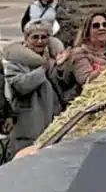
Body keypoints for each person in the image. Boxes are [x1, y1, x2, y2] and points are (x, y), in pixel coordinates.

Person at [2, 20, 72, 155]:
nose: (40, 41)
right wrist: (42, 69)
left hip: (53, 124)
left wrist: (61, 68)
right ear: (26, 39)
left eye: (44, 37)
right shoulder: (16, 62)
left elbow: (64, 87)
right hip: (28, 128)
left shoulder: (53, 58)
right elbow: (20, 86)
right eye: (35, 37)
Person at [67, 13, 106, 93]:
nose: (102, 28)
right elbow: (85, 80)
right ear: (87, 32)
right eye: (96, 26)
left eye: (105, 24)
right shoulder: (79, 53)